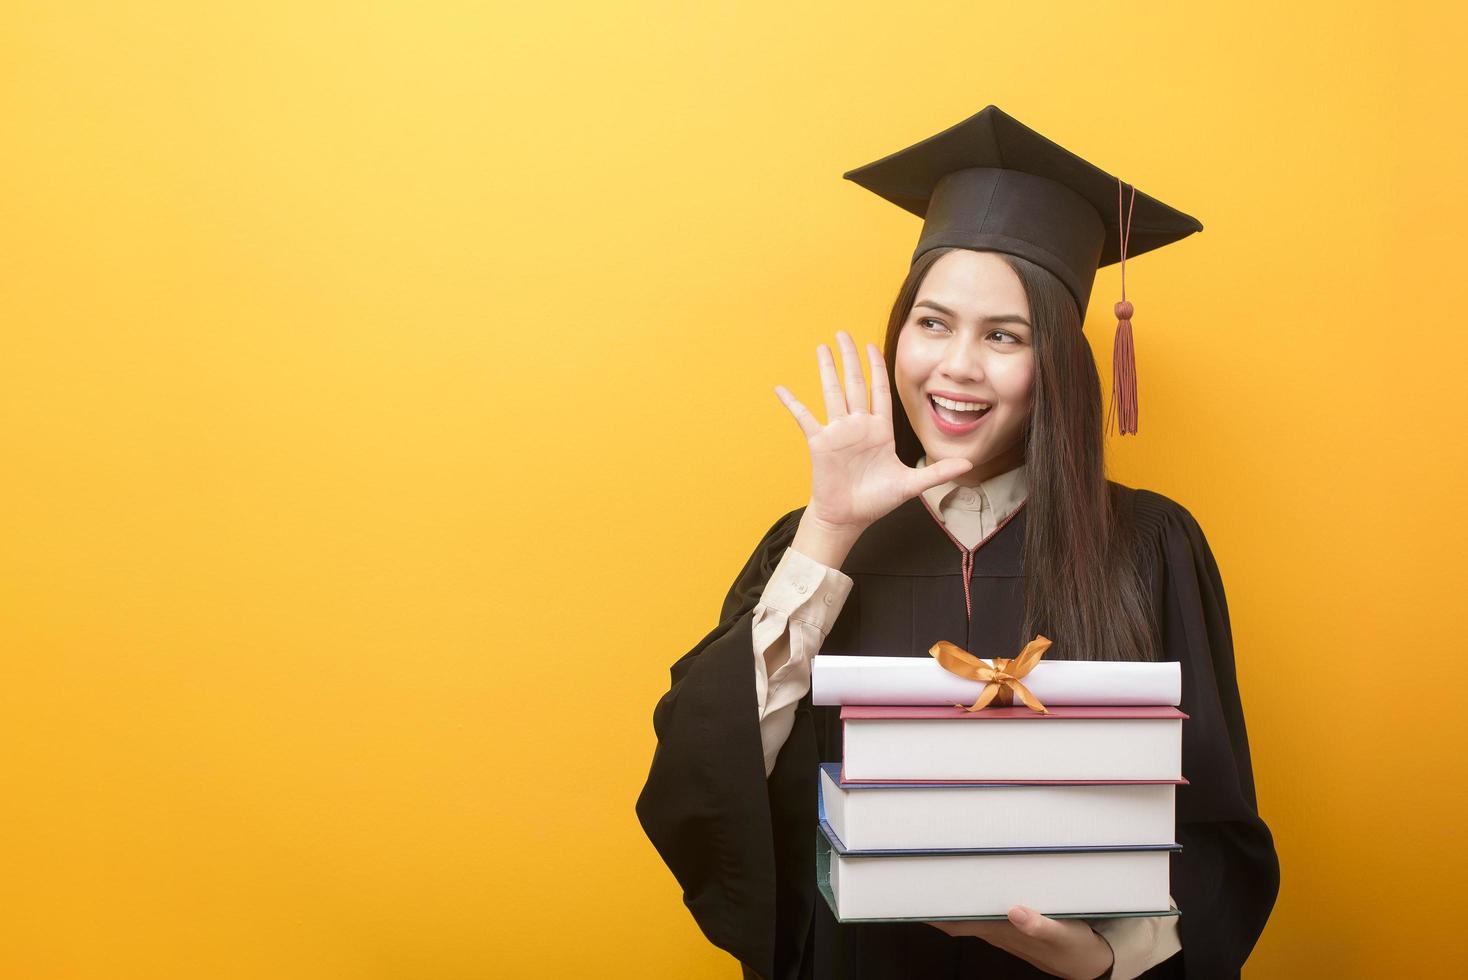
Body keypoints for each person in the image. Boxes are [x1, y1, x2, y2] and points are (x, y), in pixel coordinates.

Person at [635, 106, 1280, 980]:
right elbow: (703, 784)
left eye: (1003, 336)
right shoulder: (815, 545)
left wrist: (1097, 958)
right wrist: (829, 529)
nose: (956, 368)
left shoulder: (1148, 544)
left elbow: (1211, 826)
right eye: (932, 323)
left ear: (1056, 362)